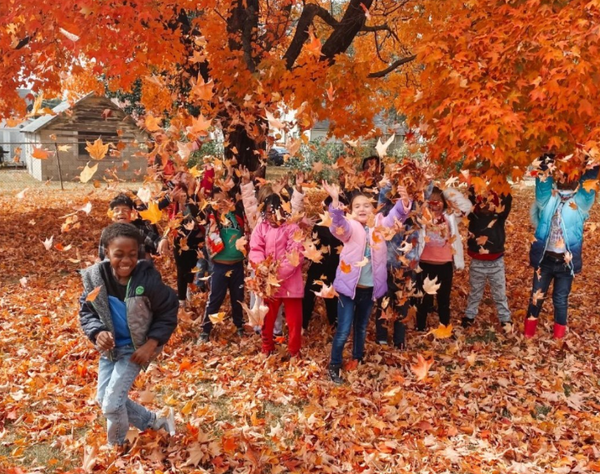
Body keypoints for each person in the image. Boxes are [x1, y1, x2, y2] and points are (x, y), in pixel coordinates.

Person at [79, 223, 179, 449]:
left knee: (112, 405)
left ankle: (117, 446)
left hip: (135, 350)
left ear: (139, 254)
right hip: (110, 350)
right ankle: (156, 421)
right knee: (103, 400)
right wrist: (97, 332)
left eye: (132, 255)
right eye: (119, 255)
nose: (126, 260)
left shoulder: (148, 280)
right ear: (106, 252)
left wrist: (151, 344)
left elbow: (168, 311)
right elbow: (87, 310)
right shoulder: (96, 279)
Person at [323, 181, 411, 384]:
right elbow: (338, 227)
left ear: (373, 208)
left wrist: (404, 202)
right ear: (351, 211)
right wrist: (336, 201)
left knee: (361, 326)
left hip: (369, 290)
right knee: (344, 329)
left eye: (366, 205)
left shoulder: (379, 226)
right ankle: (334, 365)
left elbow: (395, 218)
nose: (362, 209)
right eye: (357, 206)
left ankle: (357, 358)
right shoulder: (350, 227)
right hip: (348, 291)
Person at [525, 155, 599, 339]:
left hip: (566, 263)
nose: (567, 178)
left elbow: (589, 183)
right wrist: (547, 156)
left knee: (560, 299)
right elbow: (543, 181)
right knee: (537, 296)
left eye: (571, 175)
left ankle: (559, 337)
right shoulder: (546, 199)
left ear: (576, 178)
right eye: (563, 174)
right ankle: (528, 334)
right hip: (545, 260)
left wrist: (593, 160)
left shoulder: (581, 203)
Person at [248, 192, 304, 358]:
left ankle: (294, 352)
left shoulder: (292, 228)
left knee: (294, 321)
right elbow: (255, 249)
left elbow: (295, 255)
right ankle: (267, 347)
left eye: (276, 212)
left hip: (290, 284)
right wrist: (262, 268)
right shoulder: (261, 228)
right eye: (269, 212)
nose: (272, 217)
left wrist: (276, 273)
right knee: (267, 319)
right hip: (268, 285)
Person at [415, 186, 473, 332]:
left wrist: (445, 191)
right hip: (425, 264)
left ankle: (444, 326)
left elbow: (467, 206)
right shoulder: (421, 217)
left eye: (438, 200)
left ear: (444, 202)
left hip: (444, 264)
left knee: (443, 299)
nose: (435, 204)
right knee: (423, 299)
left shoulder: (450, 217)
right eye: (431, 201)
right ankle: (420, 327)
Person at [197, 187, 248, 342]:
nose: (221, 203)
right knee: (215, 299)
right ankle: (205, 331)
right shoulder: (212, 217)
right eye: (217, 200)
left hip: (237, 265)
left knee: (238, 298)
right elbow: (196, 212)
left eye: (224, 199)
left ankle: (239, 326)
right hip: (219, 266)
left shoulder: (238, 215)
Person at [462, 186, 512, 329]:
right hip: (477, 262)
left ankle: (505, 318)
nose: (486, 205)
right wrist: (473, 182)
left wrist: (500, 181)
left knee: (499, 293)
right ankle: (470, 315)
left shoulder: (499, 216)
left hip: (496, 262)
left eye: (490, 202)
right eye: (483, 202)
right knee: (475, 292)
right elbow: (470, 196)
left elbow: (507, 200)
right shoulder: (474, 215)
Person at [98, 193, 165, 261]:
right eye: (116, 210)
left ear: (132, 213)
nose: (121, 213)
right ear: (112, 214)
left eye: (125, 210)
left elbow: (155, 239)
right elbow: (102, 256)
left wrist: (162, 241)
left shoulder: (138, 231)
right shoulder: (106, 233)